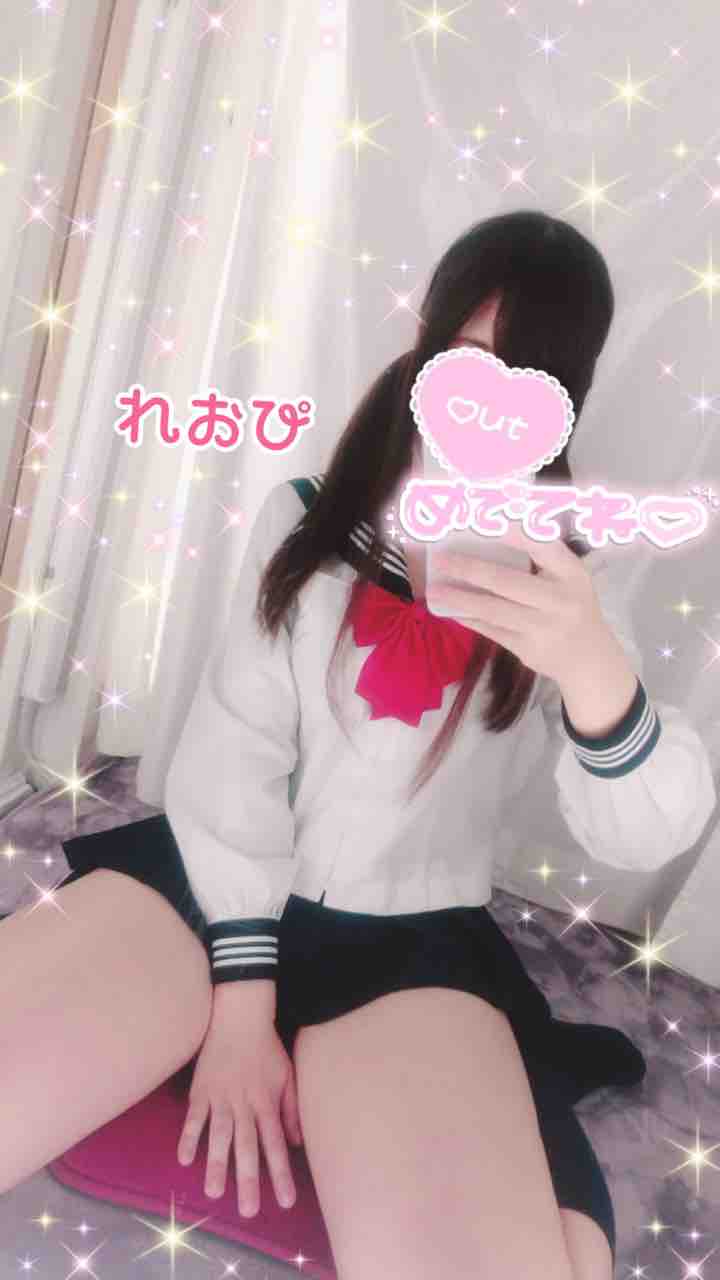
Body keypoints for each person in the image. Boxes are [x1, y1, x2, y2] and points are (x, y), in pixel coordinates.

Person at [1, 209, 716, 1280]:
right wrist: (242, 1008)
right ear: (426, 348)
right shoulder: (307, 522)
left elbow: (645, 829)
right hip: (208, 888)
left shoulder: (571, 581)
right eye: (469, 358)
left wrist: (595, 671)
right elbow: (235, 756)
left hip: (411, 939)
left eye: (530, 375)